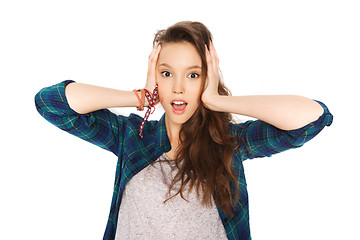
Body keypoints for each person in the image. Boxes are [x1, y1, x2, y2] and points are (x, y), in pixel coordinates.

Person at [34, 21, 333, 240]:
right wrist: (139, 97)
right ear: (155, 78)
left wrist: (217, 100)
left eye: (193, 74)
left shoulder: (229, 143)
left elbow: (313, 118)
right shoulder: (131, 137)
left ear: (206, 79)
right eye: (166, 73)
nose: (178, 87)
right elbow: (51, 103)